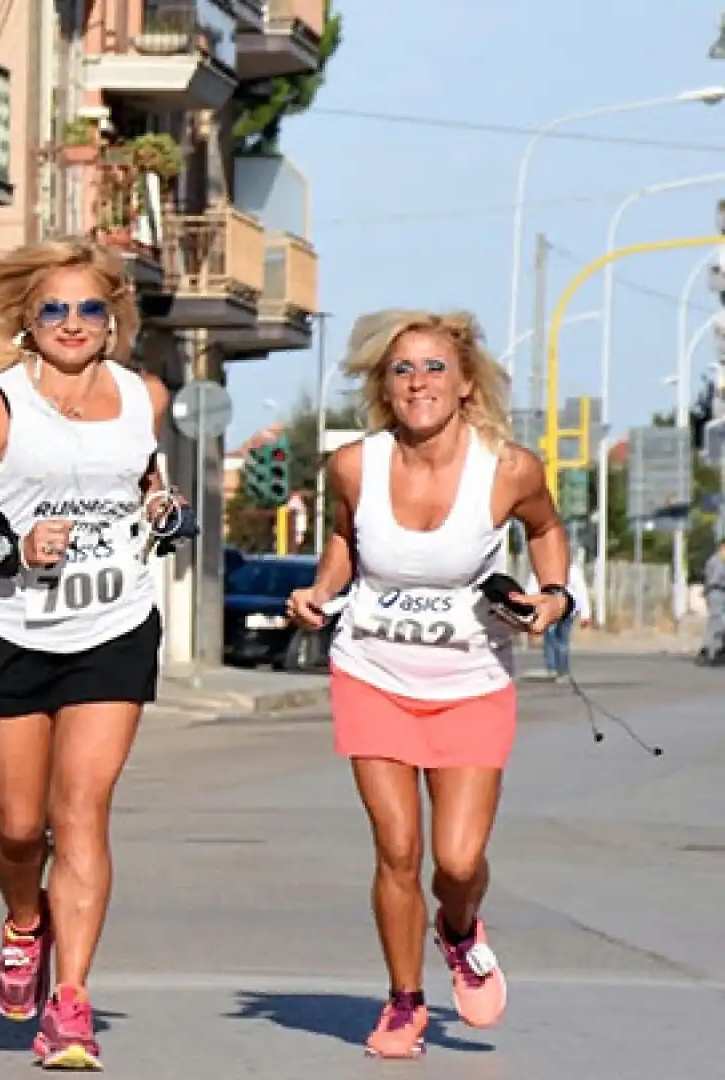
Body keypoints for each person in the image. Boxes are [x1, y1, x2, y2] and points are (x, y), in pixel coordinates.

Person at [286, 310, 572, 1060]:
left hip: (472, 680)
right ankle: (404, 1000)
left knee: (458, 860)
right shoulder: (355, 464)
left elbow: (546, 529)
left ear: (466, 382)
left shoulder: (508, 468)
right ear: (385, 385)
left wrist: (554, 594)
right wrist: (320, 591)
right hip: (372, 672)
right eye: (403, 369)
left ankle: (458, 925)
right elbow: (345, 540)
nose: (419, 382)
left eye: (434, 367)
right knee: (398, 849)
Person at [0, 237, 186, 1070]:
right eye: (54, 310)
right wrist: (10, 547)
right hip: (15, 631)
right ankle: (23, 921)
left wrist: (161, 506)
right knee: (17, 825)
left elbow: (144, 478)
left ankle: (70, 1005)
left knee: (82, 811)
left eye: (89, 309)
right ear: (29, 326)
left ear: (113, 321)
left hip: (114, 626)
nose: (72, 323)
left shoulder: (139, 396)